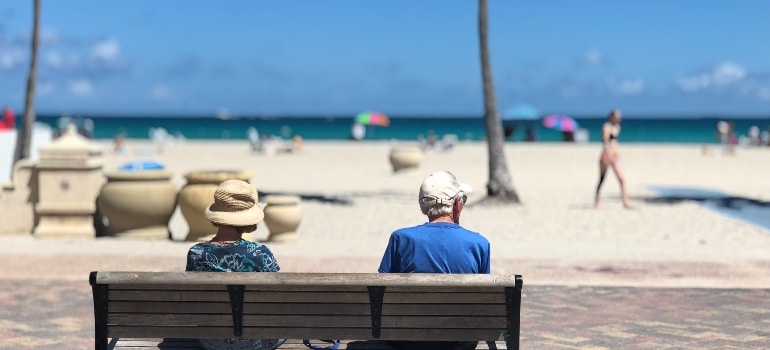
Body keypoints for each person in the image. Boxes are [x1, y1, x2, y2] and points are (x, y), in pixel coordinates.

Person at [378, 170, 490, 350]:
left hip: (406, 339)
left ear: (423, 206)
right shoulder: (479, 244)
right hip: (460, 340)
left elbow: (380, 292)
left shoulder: (401, 238)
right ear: (457, 203)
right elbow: (485, 301)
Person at [186, 179, 284, 350]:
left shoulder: (196, 254)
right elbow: (278, 297)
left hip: (211, 342)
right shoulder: (260, 254)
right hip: (257, 342)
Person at [594, 109, 633, 209]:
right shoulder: (606, 126)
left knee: (622, 179)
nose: (619, 118)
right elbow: (605, 141)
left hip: (615, 156)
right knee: (602, 179)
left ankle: (625, 202)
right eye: (617, 116)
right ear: (611, 116)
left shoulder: (617, 127)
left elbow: (614, 142)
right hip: (607, 156)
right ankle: (597, 201)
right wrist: (609, 153)